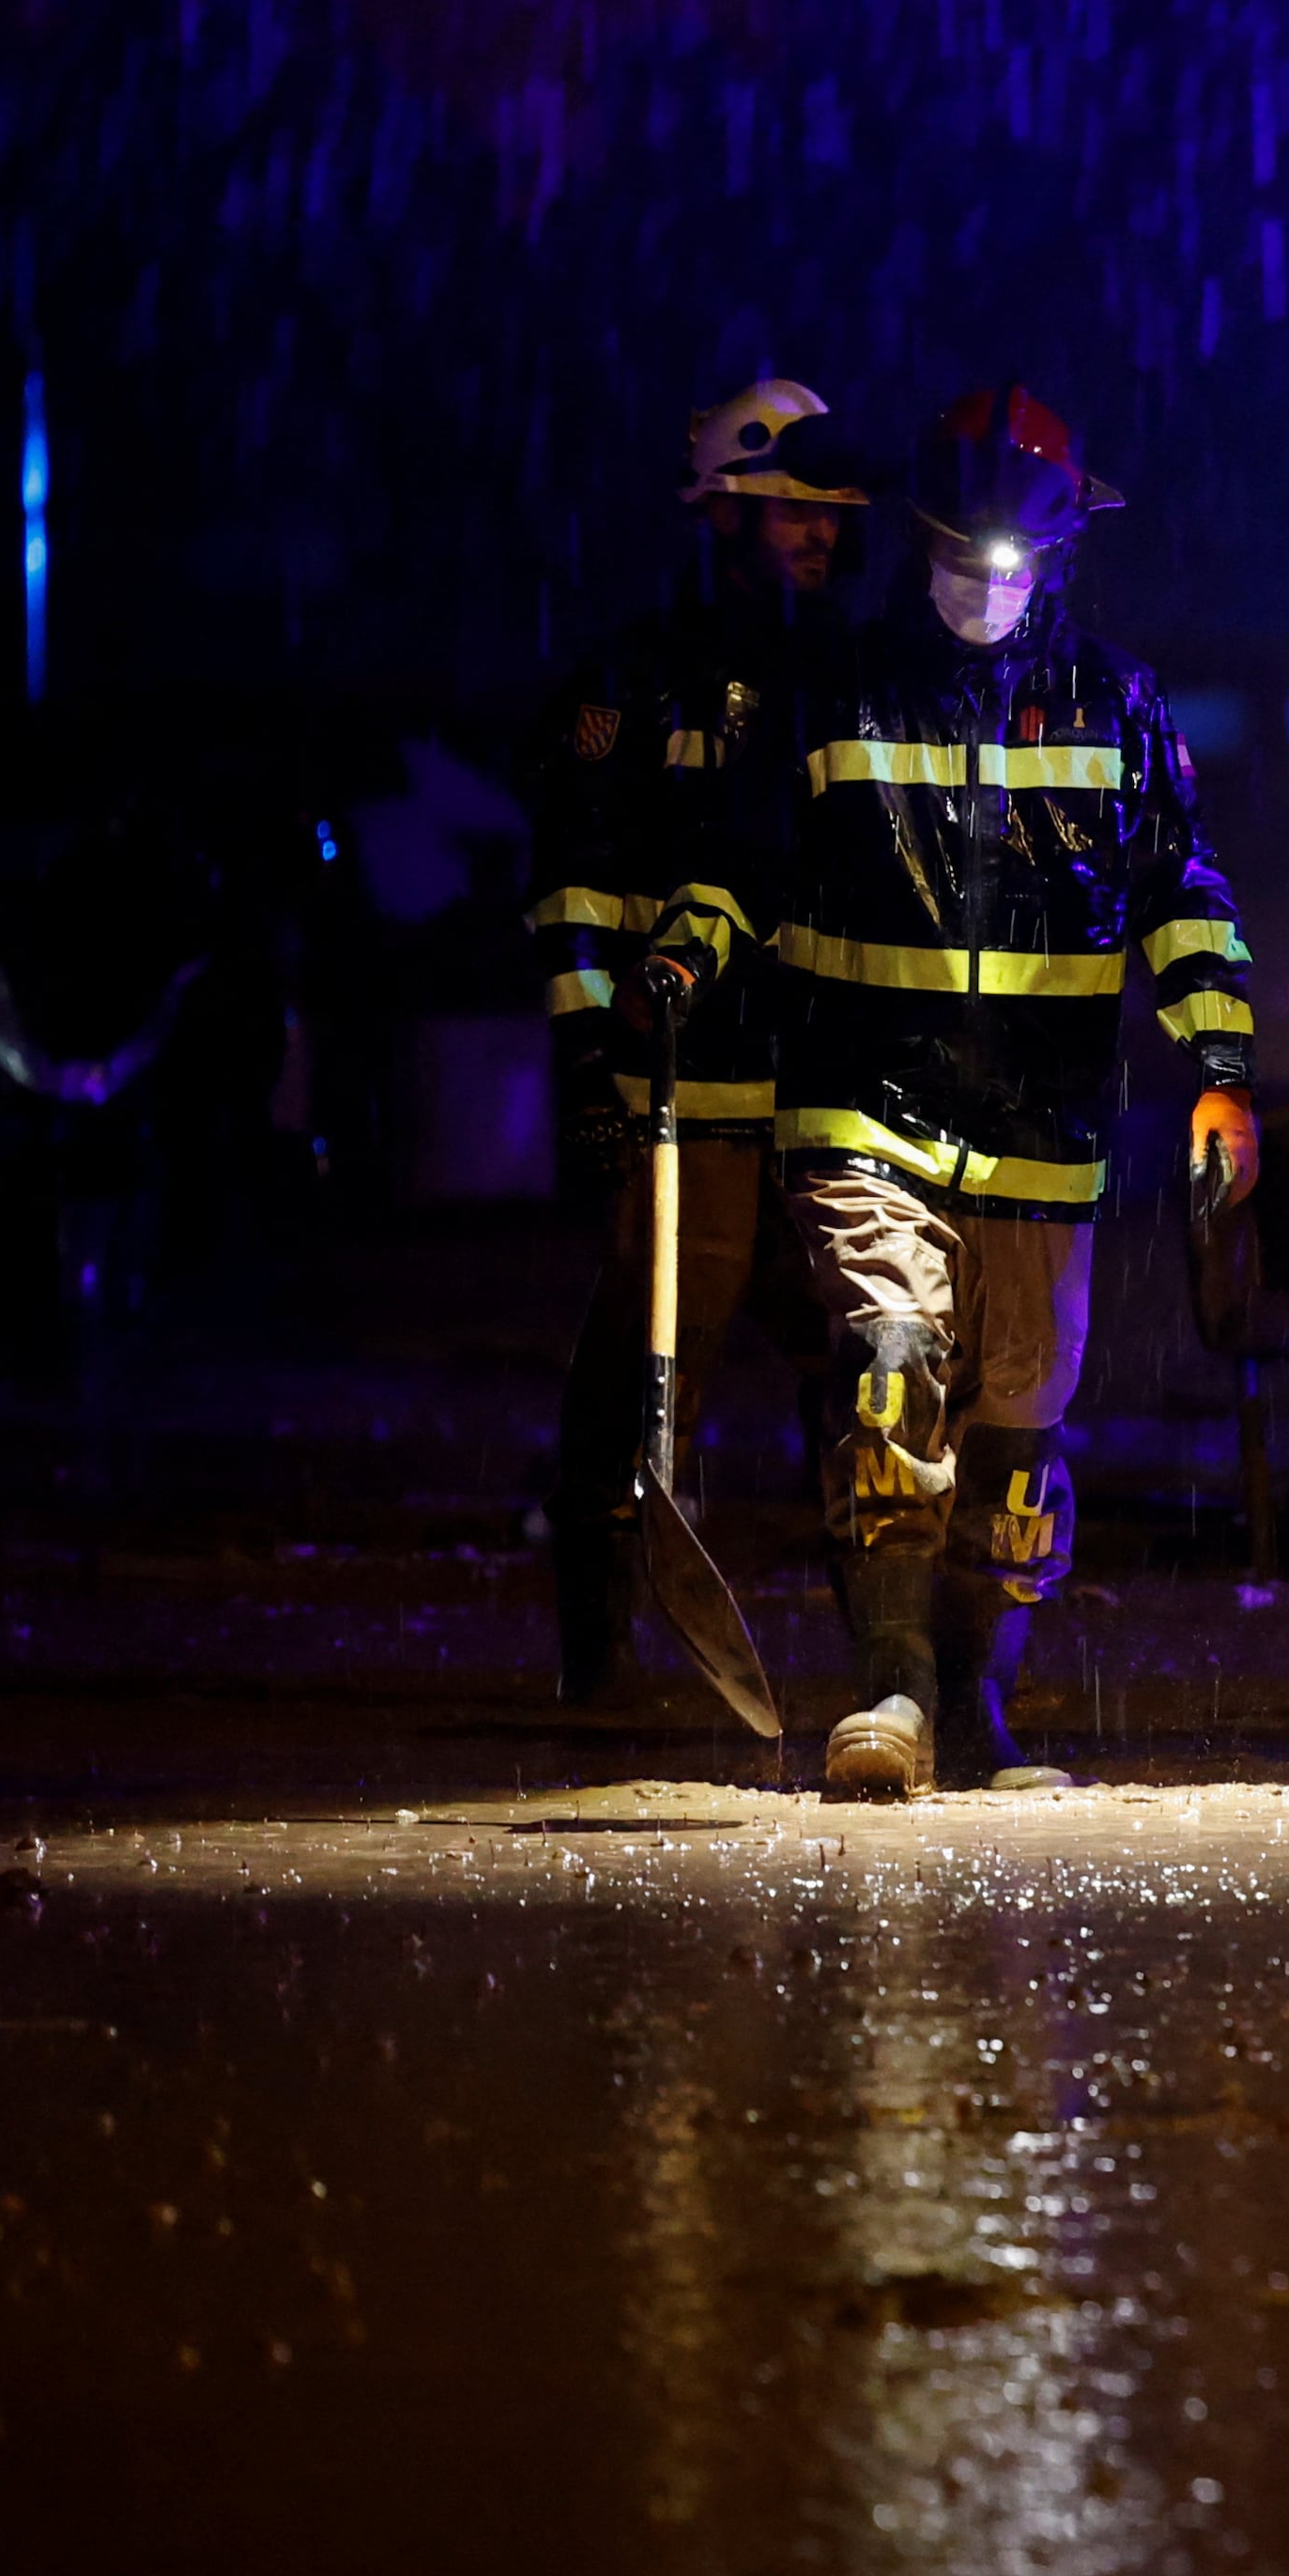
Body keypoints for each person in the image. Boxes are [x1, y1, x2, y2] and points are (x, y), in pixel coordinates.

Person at [650, 387, 1258, 1799]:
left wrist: (1224, 1069)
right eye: (962, 557)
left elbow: (1183, 898)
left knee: (1019, 1449)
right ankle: (892, 1686)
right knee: (888, 1376)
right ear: (917, 541)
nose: (988, 588)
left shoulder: (1118, 702)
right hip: (864, 1112)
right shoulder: (831, 689)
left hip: (1048, 1139)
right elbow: (750, 860)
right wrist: (688, 949)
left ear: (1058, 553)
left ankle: (979, 1691)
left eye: (1015, 563)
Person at [527, 380, 864, 1702]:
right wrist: (586, 1071)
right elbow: (572, 892)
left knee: (857, 1361)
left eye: (832, 512)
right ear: (719, 508)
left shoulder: (851, 675)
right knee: (649, 1360)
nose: (819, 533)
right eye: (791, 508)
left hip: (828, 1096)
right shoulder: (625, 681)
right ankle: (598, 1654)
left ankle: (882, 1644)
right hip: (686, 1088)